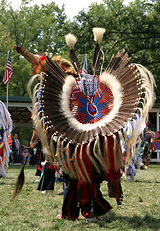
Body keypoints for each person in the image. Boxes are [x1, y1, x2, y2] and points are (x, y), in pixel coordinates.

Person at [15, 27, 155, 222]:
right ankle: (74, 212)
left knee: (78, 176)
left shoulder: (69, 85)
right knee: (78, 176)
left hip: (81, 137)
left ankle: (87, 211)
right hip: (89, 136)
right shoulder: (79, 81)